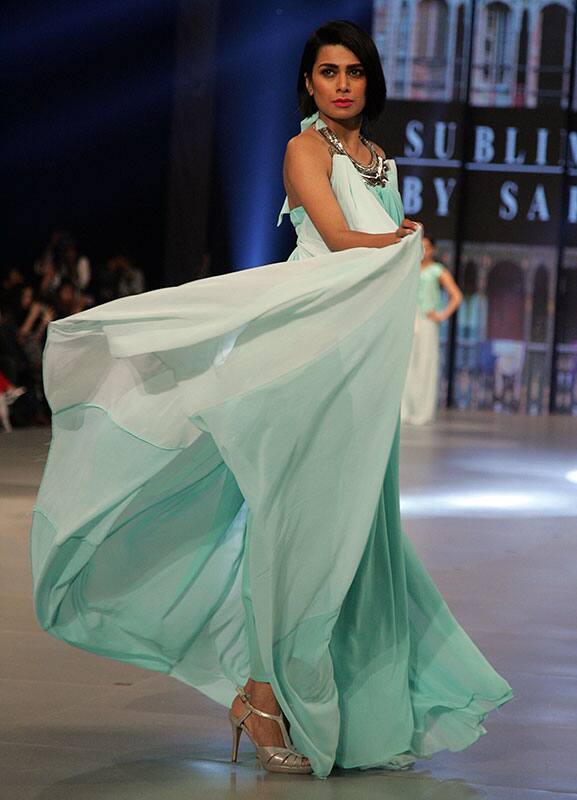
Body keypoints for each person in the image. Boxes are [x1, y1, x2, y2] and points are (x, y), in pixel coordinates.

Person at [30, 21, 511, 779]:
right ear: (309, 83)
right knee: (295, 532)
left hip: (358, 374)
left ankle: (330, 701)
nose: (343, 83)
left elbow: (373, 250)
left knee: (353, 535)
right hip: (304, 365)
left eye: (354, 70)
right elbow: (336, 237)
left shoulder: (381, 161)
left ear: (368, 81)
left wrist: (398, 238)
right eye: (328, 71)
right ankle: (260, 692)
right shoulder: (302, 150)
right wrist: (403, 241)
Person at [401, 236, 463, 425]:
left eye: (427, 247)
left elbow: (456, 296)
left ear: (433, 250)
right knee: (406, 363)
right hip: (408, 319)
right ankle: (404, 410)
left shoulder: (437, 270)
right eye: (421, 246)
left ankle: (422, 411)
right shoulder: (408, 268)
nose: (424, 250)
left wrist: (442, 315)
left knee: (425, 363)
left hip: (427, 320)